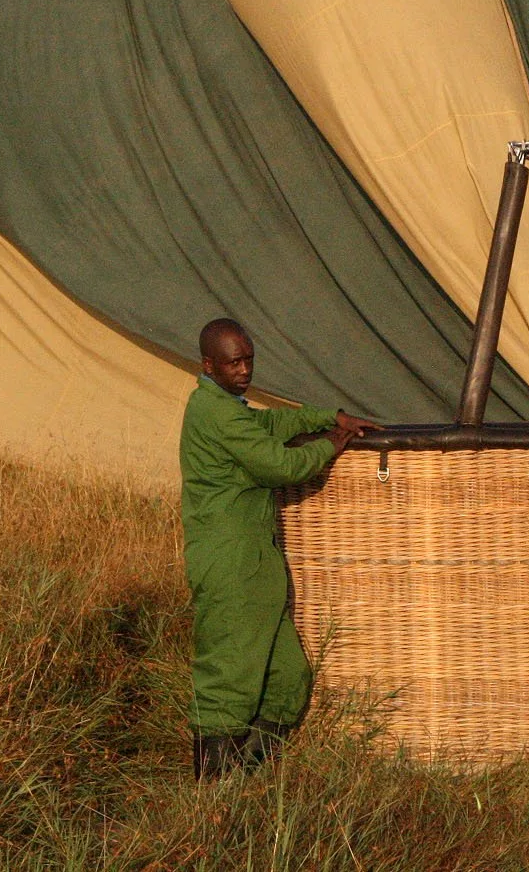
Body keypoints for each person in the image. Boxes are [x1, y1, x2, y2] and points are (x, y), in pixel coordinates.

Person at [180, 317, 377, 779]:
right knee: (228, 675)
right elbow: (281, 466)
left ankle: (246, 778)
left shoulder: (226, 408)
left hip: (253, 560)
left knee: (288, 677)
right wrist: (330, 444)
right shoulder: (215, 412)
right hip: (229, 560)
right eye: (234, 363)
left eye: (249, 360)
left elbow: (268, 422)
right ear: (208, 365)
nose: (245, 370)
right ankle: (212, 790)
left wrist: (329, 417)